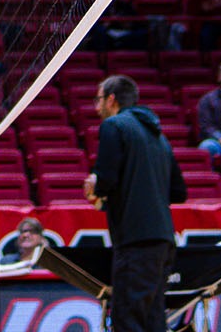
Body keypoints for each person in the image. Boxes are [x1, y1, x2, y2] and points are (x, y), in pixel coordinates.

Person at [83, 75, 186, 332]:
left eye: (98, 100)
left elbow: (106, 179)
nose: (96, 108)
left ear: (111, 100)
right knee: (153, 320)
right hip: (164, 241)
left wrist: (95, 186)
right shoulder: (159, 136)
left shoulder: (114, 125)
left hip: (136, 240)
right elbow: (179, 192)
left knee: (128, 320)